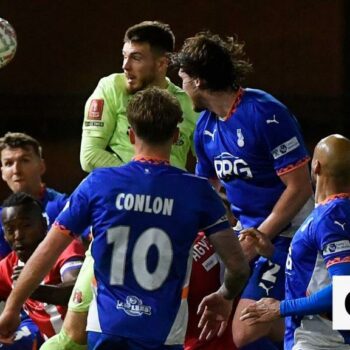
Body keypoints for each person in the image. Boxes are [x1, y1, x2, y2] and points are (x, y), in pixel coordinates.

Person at [0, 87, 249, 349]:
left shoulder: (98, 183)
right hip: (162, 335)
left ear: (131, 135)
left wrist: (12, 308)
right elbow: (238, 266)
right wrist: (225, 296)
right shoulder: (198, 191)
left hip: (106, 329)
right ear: (176, 136)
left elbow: (46, 252)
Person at [42, 20, 199, 350]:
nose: (125, 66)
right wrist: (142, 181)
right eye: (124, 57)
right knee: (73, 336)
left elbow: (205, 160)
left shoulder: (186, 104)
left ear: (162, 63)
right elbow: (89, 156)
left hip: (167, 231)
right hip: (115, 227)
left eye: (136, 58)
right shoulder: (110, 89)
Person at [174, 31, 313, 349]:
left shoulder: (265, 113)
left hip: (291, 234)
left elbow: (300, 186)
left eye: (182, 79)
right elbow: (206, 193)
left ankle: (322, 330)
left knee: (248, 327)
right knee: (228, 322)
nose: (182, 88)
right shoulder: (205, 129)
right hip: (247, 236)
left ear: (197, 80)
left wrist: (260, 236)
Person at [240, 134, 350, 349]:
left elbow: (343, 288)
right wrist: (272, 253)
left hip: (321, 341)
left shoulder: (331, 216)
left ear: (316, 166)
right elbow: (316, 271)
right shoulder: (337, 213)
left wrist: (280, 308)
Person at [0, 192, 85, 349]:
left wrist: (28, 287)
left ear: (43, 225)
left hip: (84, 341)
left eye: (26, 226)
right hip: (49, 342)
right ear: (4, 235)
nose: (18, 236)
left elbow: (77, 291)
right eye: (10, 229)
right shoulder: (7, 266)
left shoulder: (65, 248)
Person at [0, 132, 69, 260]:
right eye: (9, 163)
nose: (16, 170)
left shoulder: (64, 206)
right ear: (2, 172)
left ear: (41, 166)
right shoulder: (2, 217)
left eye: (25, 160)